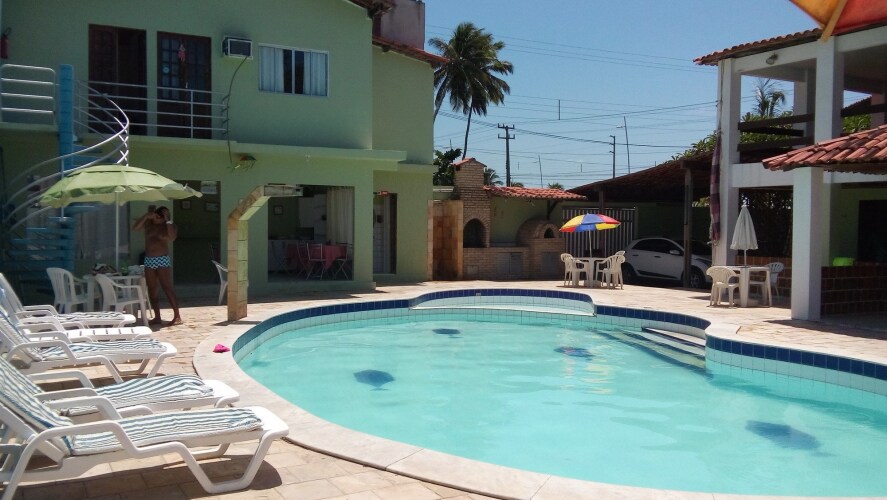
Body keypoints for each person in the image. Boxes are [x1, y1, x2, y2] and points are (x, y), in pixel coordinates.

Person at [133, 205, 182, 326]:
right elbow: (135, 228)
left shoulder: (169, 226)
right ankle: (157, 317)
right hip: (149, 260)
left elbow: (172, 237)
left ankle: (177, 316)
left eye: (166, 216)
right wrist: (146, 216)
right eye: (161, 215)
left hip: (162, 259)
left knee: (167, 287)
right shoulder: (149, 225)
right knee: (152, 288)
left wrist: (168, 220)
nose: (163, 218)